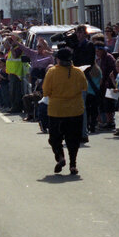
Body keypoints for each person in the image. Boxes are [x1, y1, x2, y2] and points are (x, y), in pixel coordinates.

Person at [42, 47, 87, 176]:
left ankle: (60, 157)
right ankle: (73, 165)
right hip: (75, 110)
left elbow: (46, 91)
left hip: (57, 110)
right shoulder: (79, 72)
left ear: (58, 59)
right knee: (73, 139)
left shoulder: (52, 72)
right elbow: (84, 87)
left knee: (55, 138)